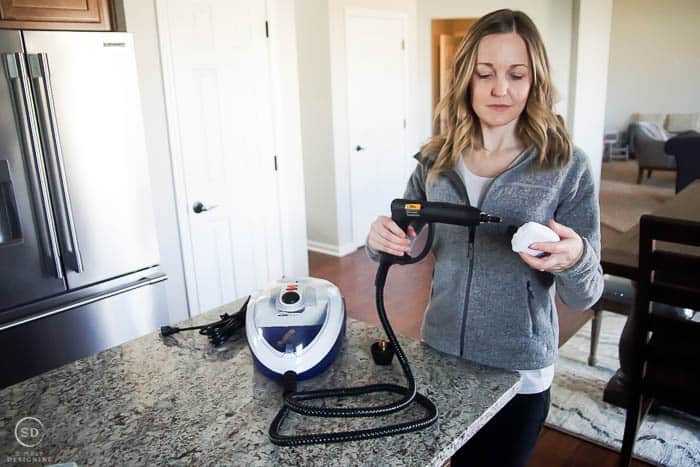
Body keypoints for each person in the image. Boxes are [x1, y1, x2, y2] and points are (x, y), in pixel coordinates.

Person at [366, 9, 604, 467]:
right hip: (441, 354)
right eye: (485, 74)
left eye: (517, 75)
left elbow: (586, 294)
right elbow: (402, 235)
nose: (501, 89)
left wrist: (574, 260)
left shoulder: (566, 165)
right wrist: (380, 239)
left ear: (535, 81)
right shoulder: (437, 157)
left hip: (518, 370)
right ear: (466, 79)